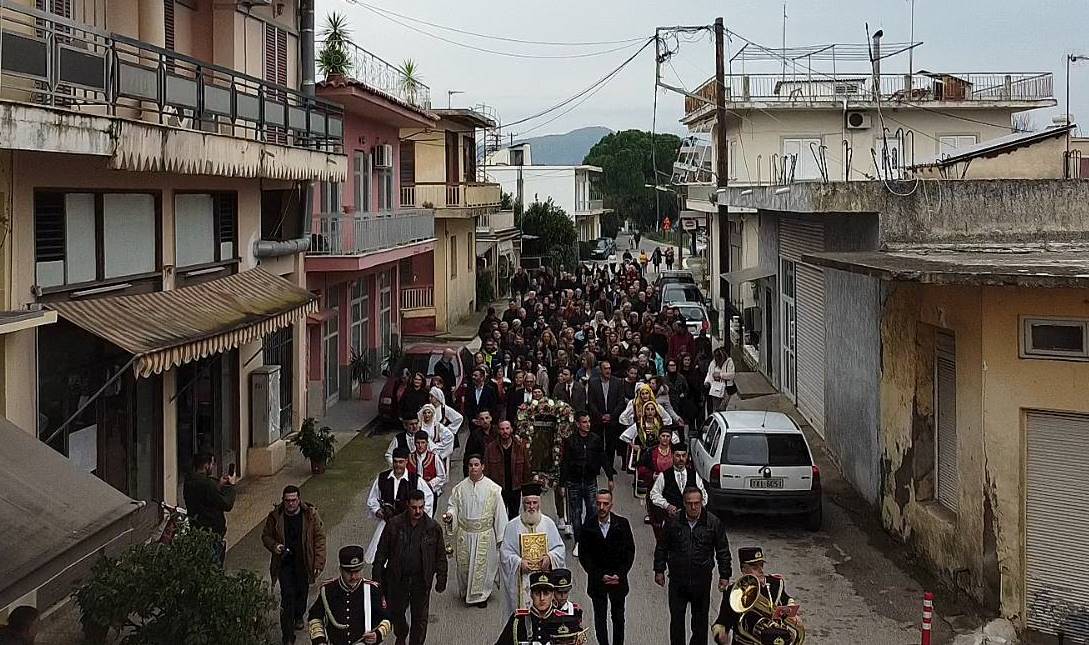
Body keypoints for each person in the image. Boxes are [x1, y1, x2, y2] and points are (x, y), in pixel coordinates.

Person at [654, 487, 732, 645]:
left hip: (701, 581)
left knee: (700, 623)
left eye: (697, 503)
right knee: (677, 621)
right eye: (690, 503)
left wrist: (724, 575)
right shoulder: (673, 522)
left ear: (702, 502)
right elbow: (662, 546)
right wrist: (659, 570)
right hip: (678, 580)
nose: (694, 507)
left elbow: (723, 550)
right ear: (684, 503)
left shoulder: (713, 523)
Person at [372, 490, 448, 645]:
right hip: (398, 579)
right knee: (396, 613)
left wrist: (442, 577)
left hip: (421, 580)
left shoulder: (433, 528)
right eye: (414, 507)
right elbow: (381, 553)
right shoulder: (394, 525)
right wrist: (377, 579)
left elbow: (440, 555)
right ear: (408, 505)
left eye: (421, 507)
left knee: (420, 618)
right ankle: (401, 634)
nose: (418, 511)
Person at [262, 485, 328, 645]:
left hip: (304, 561)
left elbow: (319, 538)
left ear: (299, 500)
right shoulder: (275, 516)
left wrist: (318, 562)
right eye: (287, 500)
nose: (290, 503)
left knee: (302, 592)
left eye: (293, 500)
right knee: (287, 596)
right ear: (283, 501)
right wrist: (275, 546)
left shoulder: (310, 515)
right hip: (284, 563)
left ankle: (299, 615)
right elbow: (266, 536)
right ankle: (288, 636)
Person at [443, 454, 508, 608]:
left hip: (484, 534)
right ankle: (467, 592)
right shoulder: (459, 488)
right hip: (465, 534)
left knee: (483, 567)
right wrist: (450, 515)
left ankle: (481, 596)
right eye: (471, 465)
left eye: (476, 465)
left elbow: (500, 513)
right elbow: (453, 506)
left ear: (482, 466)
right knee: (464, 566)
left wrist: (502, 537)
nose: (473, 468)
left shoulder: (493, 489)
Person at [576, 489, 635, 645]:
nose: (601, 507)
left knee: (618, 618)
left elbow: (629, 552)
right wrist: (599, 575)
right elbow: (584, 555)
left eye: (605, 504)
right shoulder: (588, 526)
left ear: (611, 505)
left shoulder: (622, 524)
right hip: (597, 581)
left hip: (618, 580)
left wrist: (620, 574)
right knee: (600, 618)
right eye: (599, 503)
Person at [498, 483, 566, 616]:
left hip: (544, 578)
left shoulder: (548, 524)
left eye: (535, 503)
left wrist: (550, 558)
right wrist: (519, 563)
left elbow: (560, 549)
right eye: (528, 503)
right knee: (523, 615)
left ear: (539, 503)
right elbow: (505, 553)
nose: (531, 506)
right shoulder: (512, 526)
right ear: (523, 503)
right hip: (522, 579)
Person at [307, 545, 392, 645]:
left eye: (357, 571)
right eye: (349, 572)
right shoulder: (328, 590)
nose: (354, 577)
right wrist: (320, 641)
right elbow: (315, 618)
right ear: (341, 570)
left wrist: (377, 635)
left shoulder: (372, 590)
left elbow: (387, 619)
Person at [711, 547, 798, 645]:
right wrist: (721, 634)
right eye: (755, 568)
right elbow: (721, 622)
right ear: (744, 570)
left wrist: (792, 612)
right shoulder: (733, 592)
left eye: (761, 565)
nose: (761, 571)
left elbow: (786, 599)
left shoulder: (775, 584)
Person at [365, 447, 434, 564]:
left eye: (401, 462)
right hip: (387, 525)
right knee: (382, 558)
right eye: (395, 462)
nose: (398, 465)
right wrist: (378, 511)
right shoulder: (382, 478)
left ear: (406, 461)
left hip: (408, 526)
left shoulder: (415, 480)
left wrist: (418, 518)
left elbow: (428, 499)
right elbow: (372, 499)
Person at [560, 411, 615, 547]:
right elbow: (565, 462)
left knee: (593, 511)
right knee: (576, 513)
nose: (588, 424)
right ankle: (579, 542)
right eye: (584, 422)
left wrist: (610, 477)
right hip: (574, 482)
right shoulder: (570, 441)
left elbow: (603, 458)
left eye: (589, 421)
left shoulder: (595, 439)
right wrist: (562, 484)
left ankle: (590, 538)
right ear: (578, 424)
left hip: (590, 481)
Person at [182, 452, 236, 565]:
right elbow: (226, 504)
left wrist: (218, 486)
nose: (213, 467)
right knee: (214, 565)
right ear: (206, 465)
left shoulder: (189, 481)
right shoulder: (207, 484)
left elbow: (205, 498)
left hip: (196, 529)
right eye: (212, 464)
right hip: (211, 531)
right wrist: (231, 486)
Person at [493, 572, 559, 645]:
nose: (542, 598)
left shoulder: (560, 620)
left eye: (546, 593)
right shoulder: (518, 620)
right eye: (537, 594)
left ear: (552, 595)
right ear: (531, 595)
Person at [484, 420, 530, 521]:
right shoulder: (491, 448)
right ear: (498, 431)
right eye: (502, 429)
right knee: (499, 517)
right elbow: (486, 470)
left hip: (515, 488)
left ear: (511, 429)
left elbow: (526, 469)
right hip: (498, 489)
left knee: (514, 517)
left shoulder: (520, 447)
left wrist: (526, 490)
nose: (505, 431)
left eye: (507, 428)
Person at [649, 443, 708, 522]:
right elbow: (654, 494)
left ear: (687, 456)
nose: (681, 459)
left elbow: (703, 493)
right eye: (678, 456)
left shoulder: (694, 475)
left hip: (692, 519)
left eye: (683, 455)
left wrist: (699, 506)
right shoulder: (664, 475)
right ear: (672, 456)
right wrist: (667, 506)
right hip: (672, 519)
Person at [641, 428, 677, 538]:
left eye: (668, 436)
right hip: (655, 486)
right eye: (663, 436)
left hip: (671, 488)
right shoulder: (650, 452)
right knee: (656, 514)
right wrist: (652, 475)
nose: (665, 438)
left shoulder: (675, 452)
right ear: (659, 437)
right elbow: (641, 468)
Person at [587, 360, 624, 468]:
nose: (608, 371)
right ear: (600, 370)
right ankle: (596, 466)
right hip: (598, 417)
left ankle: (609, 467)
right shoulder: (593, 382)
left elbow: (620, 402)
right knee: (596, 443)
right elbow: (591, 402)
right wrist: (600, 415)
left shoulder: (617, 382)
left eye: (609, 368)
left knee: (611, 444)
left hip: (613, 418)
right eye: (605, 368)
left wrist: (612, 416)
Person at [408, 430, 448, 500]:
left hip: (430, 493)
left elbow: (441, 476)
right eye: (418, 443)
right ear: (414, 443)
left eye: (423, 442)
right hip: (412, 494)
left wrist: (429, 484)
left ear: (427, 443)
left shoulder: (434, 457)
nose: (420, 445)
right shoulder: (409, 458)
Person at [463, 410, 495, 477]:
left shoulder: (497, 432)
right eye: (482, 419)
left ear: (491, 418)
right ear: (479, 421)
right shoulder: (474, 435)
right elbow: (468, 454)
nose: (485, 421)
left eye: (487, 418)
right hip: (482, 467)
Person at [704, 347, 735, 413]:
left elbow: (732, 375)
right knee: (716, 408)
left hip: (726, 388)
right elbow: (709, 374)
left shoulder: (729, 362)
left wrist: (720, 375)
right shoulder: (713, 363)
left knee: (722, 407)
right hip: (715, 388)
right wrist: (707, 381)